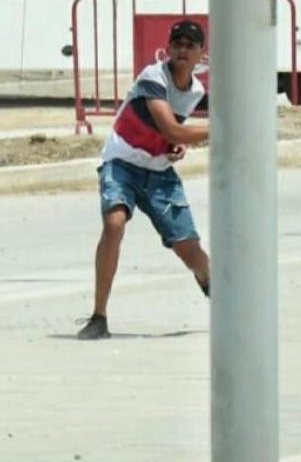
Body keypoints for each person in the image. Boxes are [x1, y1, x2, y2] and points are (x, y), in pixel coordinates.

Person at [77, 19, 211, 341]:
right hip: (121, 163)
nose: (182, 49)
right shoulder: (153, 76)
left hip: (159, 171)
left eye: (189, 45)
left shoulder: (195, 91)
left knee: (189, 250)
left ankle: (215, 289)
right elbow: (172, 129)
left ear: (200, 53)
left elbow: (171, 133)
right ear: (168, 48)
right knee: (114, 224)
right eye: (176, 43)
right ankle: (99, 316)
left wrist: (175, 147)